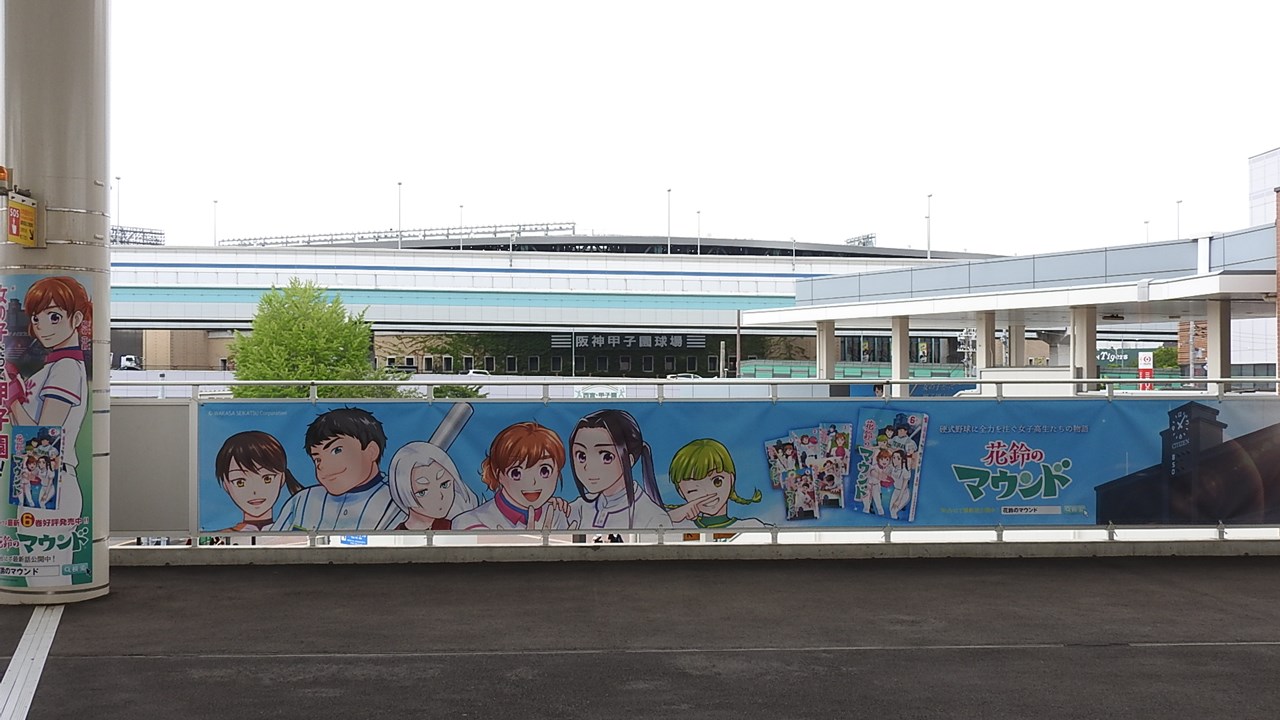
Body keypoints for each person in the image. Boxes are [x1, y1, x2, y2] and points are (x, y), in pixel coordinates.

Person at [5, 277, 91, 584]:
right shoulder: (53, 367)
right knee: (43, 569)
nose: (42, 326)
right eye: (36, 318)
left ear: (76, 319)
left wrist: (13, 399)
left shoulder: (65, 368)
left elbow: (43, 438)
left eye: (54, 316)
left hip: (49, 477)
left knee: (43, 572)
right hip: (39, 476)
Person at [270, 407, 403, 532]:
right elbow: (271, 542)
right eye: (317, 459)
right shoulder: (302, 500)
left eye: (337, 450)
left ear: (371, 451)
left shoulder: (400, 502)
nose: (322, 466)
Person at [453, 421, 572, 531]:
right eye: (516, 473)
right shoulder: (471, 522)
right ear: (498, 474)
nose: (532, 482)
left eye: (544, 471)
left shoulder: (556, 514)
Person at [565, 409, 671, 531]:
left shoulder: (653, 517)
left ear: (629, 460)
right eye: (581, 456)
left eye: (606, 457)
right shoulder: (579, 508)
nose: (589, 467)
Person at [666, 438, 765, 529]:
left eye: (717, 482)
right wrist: (670, 517)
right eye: (693, 490)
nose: (707, 493)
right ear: (681, 492)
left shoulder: (750, 526)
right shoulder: (675, 526)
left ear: (731, 479)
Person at [215, 431, 303, 532]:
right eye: (240, 482)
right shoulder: (220, 536)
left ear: (282, 478)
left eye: (267, 479)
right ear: (226, 485)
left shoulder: (294, 533)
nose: (255, 491)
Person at [387, 441, 479, 530]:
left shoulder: (457, 528)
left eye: (444, 484)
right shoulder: (393, 537)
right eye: (423, 492)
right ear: (403, 493)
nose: (439, 496)